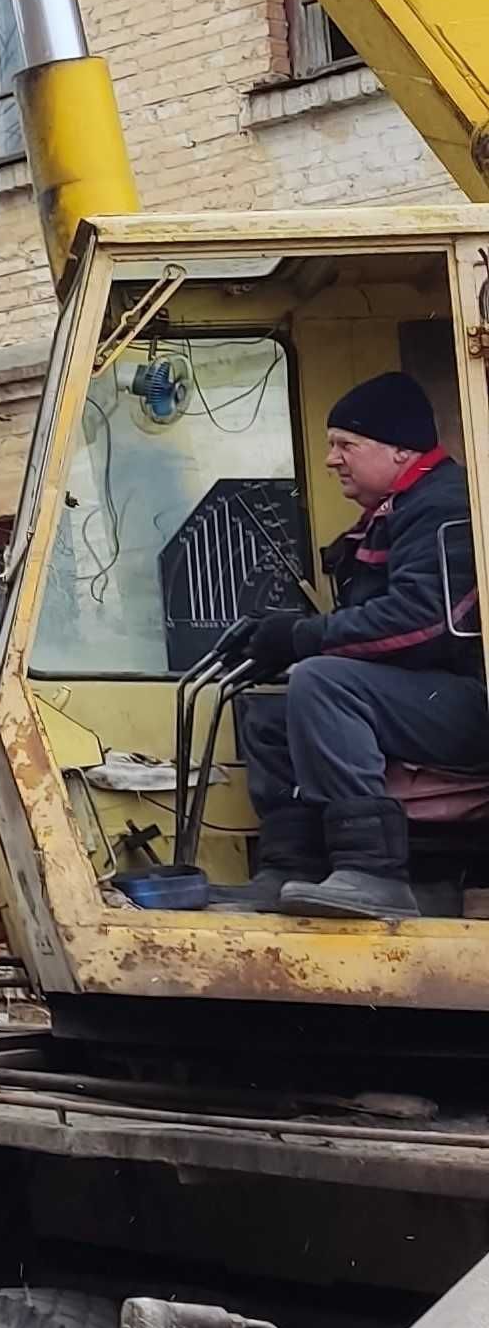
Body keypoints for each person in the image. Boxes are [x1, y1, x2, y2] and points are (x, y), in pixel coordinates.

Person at [226, 372, 484, 921]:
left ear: (399, 449)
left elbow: (424, 622)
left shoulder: (444, 506)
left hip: (471, 700)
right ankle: (291, 867)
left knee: (322, 683)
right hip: (429, 695)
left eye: (347, 445)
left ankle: (374, 874)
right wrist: (279, 636)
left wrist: (303, 639)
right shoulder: (397, 510)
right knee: (272, 711)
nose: (331, 460)